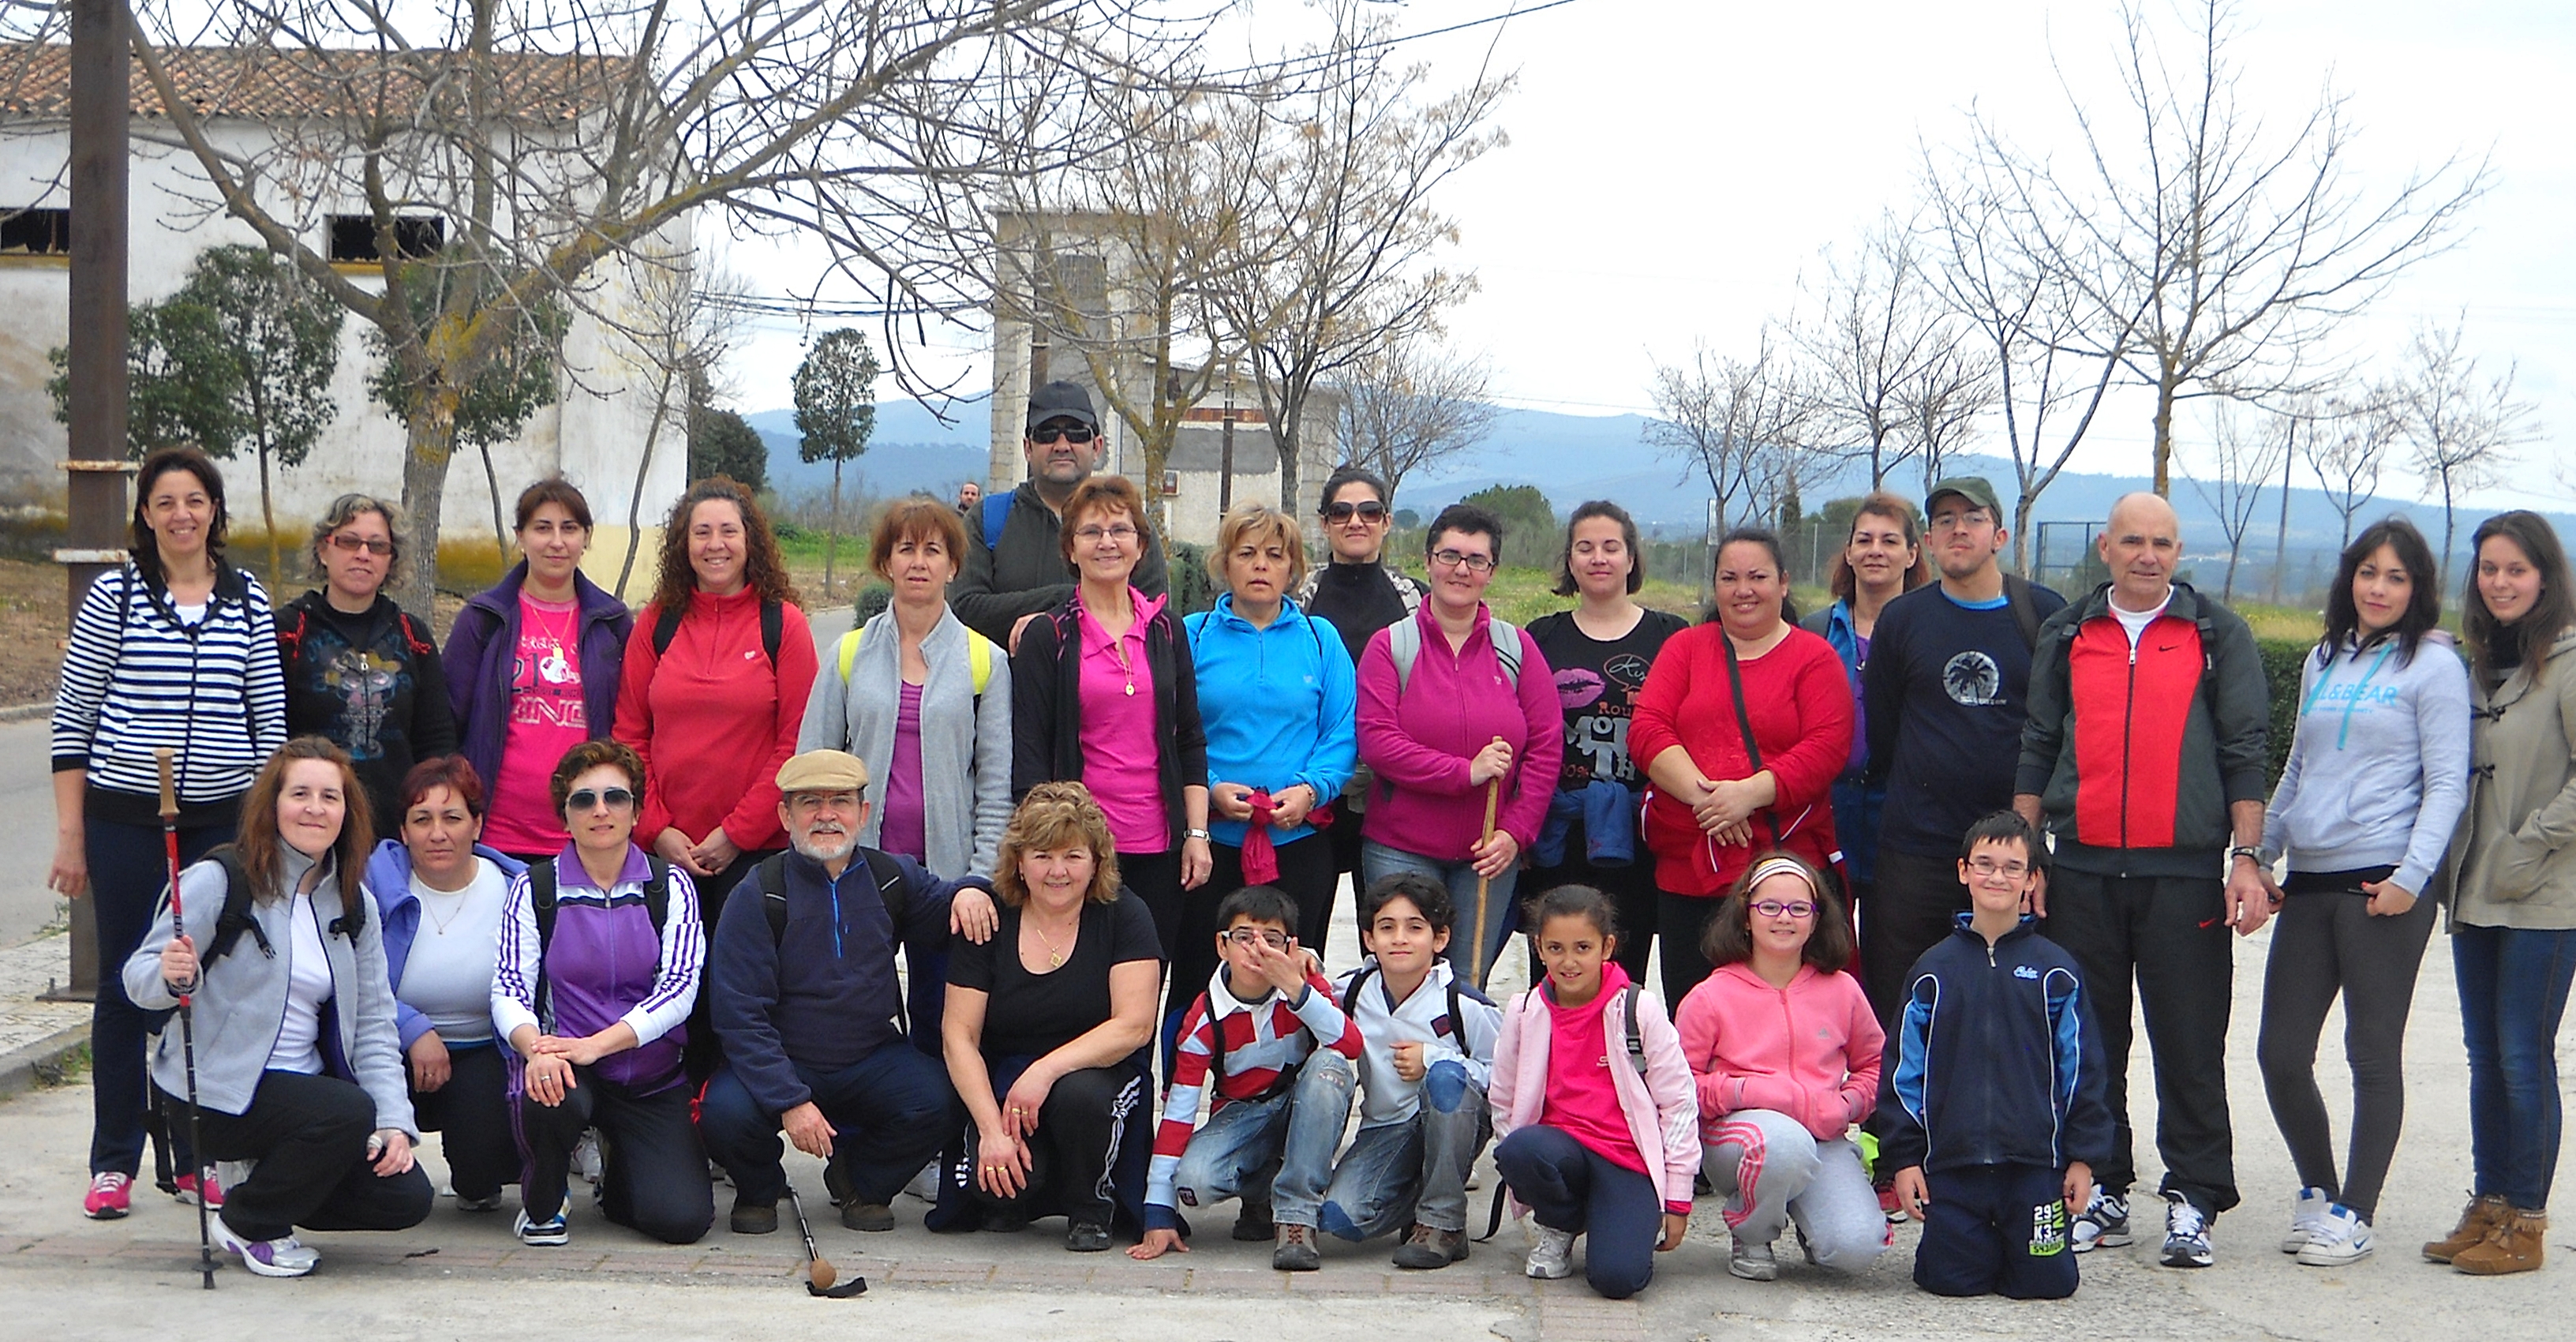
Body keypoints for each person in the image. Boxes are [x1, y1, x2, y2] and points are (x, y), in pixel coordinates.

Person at [2015, 491, 2271, 1268]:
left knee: (2189, 1042)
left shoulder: (2218, 634)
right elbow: (2036, 743)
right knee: (2091, 1043)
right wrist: (2027, 855)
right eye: (2132, 539)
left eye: (2162, 541)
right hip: (2081, 868)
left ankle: (2194, 1196)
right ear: (2105, 546)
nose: (2147, 554)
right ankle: (2105, 1185)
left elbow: (2245, 750)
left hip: (2184, 874)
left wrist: (2247, 859)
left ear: (2178, 549)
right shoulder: (2067, 632)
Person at [53, 444, 286, 1219]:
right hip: (125, 819)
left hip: (219, 823)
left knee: (201, 984)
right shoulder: (113, 596)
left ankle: (193, 1153)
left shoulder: (249, 599)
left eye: (195, 500)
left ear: (214, 510)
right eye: (165, 502)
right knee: (129, 983)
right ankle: (114, 1157)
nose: (181, 514)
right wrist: (71, 834)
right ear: (145, 515)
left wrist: (263, 834)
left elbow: (268, 724)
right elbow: (73, 719)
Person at [124, 737, 433, 1276]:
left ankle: (266, 1182)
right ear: (272, 805)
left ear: (347, 811)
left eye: (330, 797)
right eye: (301, 794)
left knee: (405, 1197)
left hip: (304, 1099)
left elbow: (376, 1027)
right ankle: (249, 1222)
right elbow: (138, 981)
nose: (315, 808)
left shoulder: (354, 902)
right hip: (215, 1093)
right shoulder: (220, 880)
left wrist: (393, 1124)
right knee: (343, 1111)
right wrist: (171, 974)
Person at [2256, 519, 2470, 1267]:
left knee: (2371, 1053)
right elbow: (2297, 768)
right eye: (2368, 572)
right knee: (2280, 1053)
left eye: (2397, 577)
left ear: (2419, 589)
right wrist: (2261, 852)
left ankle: (2357, 1209)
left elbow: (2447, 782)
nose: (2379, 588)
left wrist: (2413, 880)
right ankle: (2319, 1190)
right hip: (2311, 879)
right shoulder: (2325, 656)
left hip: (2384, 880)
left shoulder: (2435, 666)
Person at [700, 750, 998, 1235]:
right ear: (785, 816)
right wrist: (791, 1101)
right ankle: (760, 1188)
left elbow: (944, 907)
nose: (825, 815)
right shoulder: (758, 893)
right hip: (785, 1058)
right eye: (809, 803)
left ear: (863, 812)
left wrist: (970, 890)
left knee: (942, 1097)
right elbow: (739, 1017)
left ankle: (859, 1180)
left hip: (869, 1057)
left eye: (840, 801)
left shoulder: (891, 877)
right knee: (724, 1112)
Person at [617, 477, 818, 1081]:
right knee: (667, 992)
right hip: (666, 855)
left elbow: (795, 746)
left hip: (753, 856)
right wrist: (658, 831)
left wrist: (735, 833)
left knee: (739, 997)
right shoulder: (656, 624)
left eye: (728, 530)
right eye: (701, 532)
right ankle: (670, 1116)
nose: (715, 545)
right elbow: (629, 736)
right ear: (683, 544)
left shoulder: (784, 626)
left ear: (751, 540)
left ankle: (733, 1122)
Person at [2424, 511, 2576, 1276]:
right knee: (2485, 1054)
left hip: (2545, 896)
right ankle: (2488, 1202)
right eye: (2488, 567)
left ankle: (2527, 1218)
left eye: (2515, 568)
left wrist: (2531, 843)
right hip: (2476, 891)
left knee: (2524, 1055)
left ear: (2545, 575)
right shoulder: (2478, 662)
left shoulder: (2573, 661)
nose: (2500, 581)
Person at [801, 497, 1013, 1040]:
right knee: (850, 1019)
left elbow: (995, 787)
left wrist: (979, 879)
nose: (919, 562)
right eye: (906, 548)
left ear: (953, 566)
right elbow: (813, 772)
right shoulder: (848, 654)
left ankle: (939, 1124)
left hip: (946, 881)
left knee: (941, 1026)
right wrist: (818, 863)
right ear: (886, 562)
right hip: (858, 872)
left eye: (933, 550)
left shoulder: (986, 660)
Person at [1880, 811, 2113, 1299]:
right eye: (1984, 864)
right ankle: (1970, 1240)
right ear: (1963, 871)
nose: (1997, 877)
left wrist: (2083, 1159)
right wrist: (1904, 1159)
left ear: (2032, 879)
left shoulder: (2056, 971)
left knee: (2046, 1285)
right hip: (1953, 1165)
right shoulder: (1933, 970)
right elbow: (1903, 1072)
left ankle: (2016, 1244)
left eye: (2012, 867)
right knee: (1949, 1283)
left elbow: (2083, 1072)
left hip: (2034, 1167)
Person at [1859, 478, 2065, 1030]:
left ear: (1998, 534)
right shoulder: (1903, 620)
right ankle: (1898, 1117)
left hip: (2008, 852)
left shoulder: (2044, 614)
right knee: (1900, 1001)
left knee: (2006, 1002)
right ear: (1927, 540)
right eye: (1945, 520)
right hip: (1915, 847)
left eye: (1971, 518)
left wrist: (2034, 848)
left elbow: (2063, 730)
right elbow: (1883, 729)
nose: (1958, 530)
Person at [492, 739, 711, 1248]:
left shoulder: (670, 885)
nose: (601, 810)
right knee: (549, 1089)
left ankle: (618, 1179)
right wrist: (534, 1047)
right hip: (571, 1069)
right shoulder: (534, 889)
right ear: (565, 818)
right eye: (583, 800)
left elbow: (679, 988)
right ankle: (544, 1203)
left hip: (651, 1077)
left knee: (681, 1222)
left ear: (635, 811)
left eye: (615, 797)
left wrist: (599, 1043)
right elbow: (508, 985)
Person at [1009, 474, 1211, 1026]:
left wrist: (1196, 835)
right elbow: (1027, 762)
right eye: (1091, 530)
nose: (1106, 541)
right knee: (1078, 1004)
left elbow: (1189, 739)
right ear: (1070, 548)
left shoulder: (1167, 632)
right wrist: (1047, 855)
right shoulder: (1048, 639)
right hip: (1079, 855)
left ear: (1141, 546)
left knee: (1138, 1008)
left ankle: (1135, 1111)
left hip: (1158, 850)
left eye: (1120, 529)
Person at [937, 782, 1162, 1251]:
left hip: (1099, 1071)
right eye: (1042, 855)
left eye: (1073, 857)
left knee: (1078, 1097)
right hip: (1007, 1073)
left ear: (1096, 861)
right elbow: (958, 1036)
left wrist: (1045, 1071)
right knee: (996, 1186)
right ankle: (1021, 1194)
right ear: (1019, 862)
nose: (1057, 871)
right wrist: (991, 1131)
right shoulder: (992, 916)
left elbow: (1135, 1025)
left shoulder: (1127, 914)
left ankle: (1093, 1206)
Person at [1632, 527, 1852, 1006]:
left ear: (1784, 583)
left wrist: (1748, 795)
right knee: (1694, 1011)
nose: (1743, 589)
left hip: (1784, 872)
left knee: (1785, 1010)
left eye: (1758, 576)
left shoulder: (1814, 658)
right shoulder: (1686, 649)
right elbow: (1648, 730)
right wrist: (1712, 801)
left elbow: (1827, 746)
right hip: (1691, 869)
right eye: (1729, 577)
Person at [1355, 502, 1560, 985]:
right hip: (1400, 848)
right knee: (1400, 979)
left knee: (1466, 984)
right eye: (1449, 555)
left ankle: (1458, 1065)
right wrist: (1464, 772)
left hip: (1488, 852)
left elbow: (1547, 746)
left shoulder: (1516, 649)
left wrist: (1516, 831)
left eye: (1476, 559)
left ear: (1492, 571)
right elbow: (1378, 742)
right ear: (1427, 562)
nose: (1461, 569)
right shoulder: (1391, 646)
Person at [1673, 854, 1888, 1282]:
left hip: (1821, 1135)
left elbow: (1876, 1064)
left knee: (1856, 1249)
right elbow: (1679, 1086)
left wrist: (1847, 1105)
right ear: (1746, 916)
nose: (1783, 918)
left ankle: (1806, 1211)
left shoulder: (1843, 989)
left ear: (1816, 919)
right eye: (1769, 907)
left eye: (1799, 908)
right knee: (1784, 1146)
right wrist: (1750, 1093)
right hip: (1738, 1136)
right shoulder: (1710, 995)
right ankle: (1752, 1230)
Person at [1130, 884, 1365, 1270]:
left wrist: (1295, 987)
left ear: (1291, 947)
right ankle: (1264, 1189)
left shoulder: (1304, 987)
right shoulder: (1203, 1018)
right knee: (1193, 1182)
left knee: (1330, 1068)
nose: (1257, 949)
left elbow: (1351, 1045)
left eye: (1271, 939)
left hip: (1302, 1103)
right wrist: (1158, 1210)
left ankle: (1297, 1217)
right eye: (1243, 937)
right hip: (1243, 1114)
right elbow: (1178, 1114)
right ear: (1222, 946)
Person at [1488, 885, 1698, 1300]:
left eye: (1582, 947)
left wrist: (1677, 1197)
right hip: (1559, 1151)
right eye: (1556, 948)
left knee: (1617, 1279)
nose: (1569, 961)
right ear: (1539, 948)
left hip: (1626, 1160)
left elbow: (1678, 1102)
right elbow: (1504, 1096)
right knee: (1517, 1148)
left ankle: (1612, 1220)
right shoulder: (1525, 1010)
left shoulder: (1638, 1009)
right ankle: (1560, 1222)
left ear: (1607, 947)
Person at [1183, 501, 1357, 964]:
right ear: (1224, 564)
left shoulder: (1321, 639)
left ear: (1293, 568)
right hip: (1210, 846)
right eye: (1246, 553)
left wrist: (1311, 790)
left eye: (1275, 555)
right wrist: (1212, 788)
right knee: (1201, 977)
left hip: (1298, 845)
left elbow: (1342, 731)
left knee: (1293, 979)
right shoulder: (1192, 636)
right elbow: (1171, 729)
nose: (1261, 565)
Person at [1526, 500, 1690, 984]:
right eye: (1585, 547)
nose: (1599, 558)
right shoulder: (1542, 636)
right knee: (1557, 971)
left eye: (1611, 547)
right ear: (1570, 561)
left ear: (1632, 558)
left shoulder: (1670, 636)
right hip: (1560, 833)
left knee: (1625, 967)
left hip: (1639, 830)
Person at [361, 755, 529, 1217]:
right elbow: (352, 984)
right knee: (375, 1182)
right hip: (388, 1048)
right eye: (422, 819)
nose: (438, 833)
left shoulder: (516, 887)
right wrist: (413, 1029)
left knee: (483, 1178)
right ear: (403, 830)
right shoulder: (371, 884)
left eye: (452, 817)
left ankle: (476, 1164)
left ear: (477, 824)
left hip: (483, 1048)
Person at [1309, 872, 1501, 1269]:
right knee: (1339, 1217)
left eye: (1415, 928)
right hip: (1385, 1129)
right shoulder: (1356, 991)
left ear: (1440, 939)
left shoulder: (1463, 1004)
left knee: (1446, 1078)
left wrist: (1433, 1057)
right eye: (1387, 927)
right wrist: (1301, 965)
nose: (1399, 938)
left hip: (1450, 1123)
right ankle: (1420, 1201)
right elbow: (1313, 1002)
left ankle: (1443, 1221)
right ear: (1368, 939)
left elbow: (1503, 1076)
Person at [444, 478, 634, 864]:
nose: (557, 542)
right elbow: (448, 719)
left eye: (570, 529)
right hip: (496, 834)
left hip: (586, 834)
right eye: (542, 528)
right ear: (521, 536)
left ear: (586, 538)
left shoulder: (612, 623)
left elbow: (629, 723)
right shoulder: (484, 619)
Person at [278, 493, 458, 830]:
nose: (363, 555)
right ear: (323, 549)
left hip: (393, 827)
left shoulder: (412, 636)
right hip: (310, 825)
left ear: (391, 560)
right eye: (349, 542)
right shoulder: (289, 632)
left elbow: (436, 739)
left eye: (377, 546)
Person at [1293, 465, 1428, 902]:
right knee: (1302, 935)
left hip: (1392, 795)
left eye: (1369, 511)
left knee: (1392, 934)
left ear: (1387, 522)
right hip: (1311, 792)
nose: (1356, 521)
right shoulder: (1295, 602)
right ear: (1324, 523)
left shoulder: (1419, 603)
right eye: (1342, 512)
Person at [950, 380, 1168, 650]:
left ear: (1097, 446)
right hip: (1007, 690)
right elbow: (964, 609)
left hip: (1111, 689)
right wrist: (1069, 601)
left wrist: (1061, 613)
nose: (1062, 445)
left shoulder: (1131, 526)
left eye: (1077, 433)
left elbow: (1155, 617)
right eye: (1047, 433)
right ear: (1027, 448)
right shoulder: (987, 520)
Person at [1800, 492, 1927, 925]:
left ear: (1912, 554)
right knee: (1822, 942)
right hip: (1827, 806)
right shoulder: (1814, 631)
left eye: (1890, 541)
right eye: (1865, 540)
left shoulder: (1929, 630)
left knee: (1892, 946)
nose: (1876, 550)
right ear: (1849, 553)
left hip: (1899, 808)